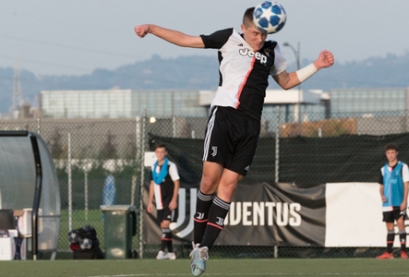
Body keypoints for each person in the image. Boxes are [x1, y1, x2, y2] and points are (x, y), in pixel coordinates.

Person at [134, 6, 335, 276]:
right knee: (208, 182)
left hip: (250, 127)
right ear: (244, 28)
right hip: (224, 118)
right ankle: (197, 240)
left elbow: (286, 82)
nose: (259, 38)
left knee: (227, 188)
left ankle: (203, 249)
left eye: (264, 33)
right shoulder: (228, 38)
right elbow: (186, 39)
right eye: (255, 33)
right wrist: (152, 27)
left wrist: (316, 65)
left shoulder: (272, 50)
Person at [376, 143, 409, 260]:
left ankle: (403, 251)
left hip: (399, 202)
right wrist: (381, 195)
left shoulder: (403, 167)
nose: (390, 155)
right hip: (387, 204)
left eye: (392, 153)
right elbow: (381, 186)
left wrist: (404, 201)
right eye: (388, 153)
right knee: (389, 227)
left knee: (401, 224)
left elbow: (406, 185)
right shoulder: (383, 169)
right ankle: (389, 252)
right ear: (386, 154)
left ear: (397, 153)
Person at [146, 144, 181, 260]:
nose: (160, 154)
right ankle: (171, 253)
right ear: (155, 153)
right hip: (159, 202)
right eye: (158, 152)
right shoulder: (153, 167)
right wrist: (150, 202)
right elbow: (152, 184)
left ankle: (161, 252)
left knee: (166, 224)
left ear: (166, 153)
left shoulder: (171, 166)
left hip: (169, 200)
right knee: (164, 227)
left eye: (162, 152)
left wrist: (174, 200)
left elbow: (176, 182)